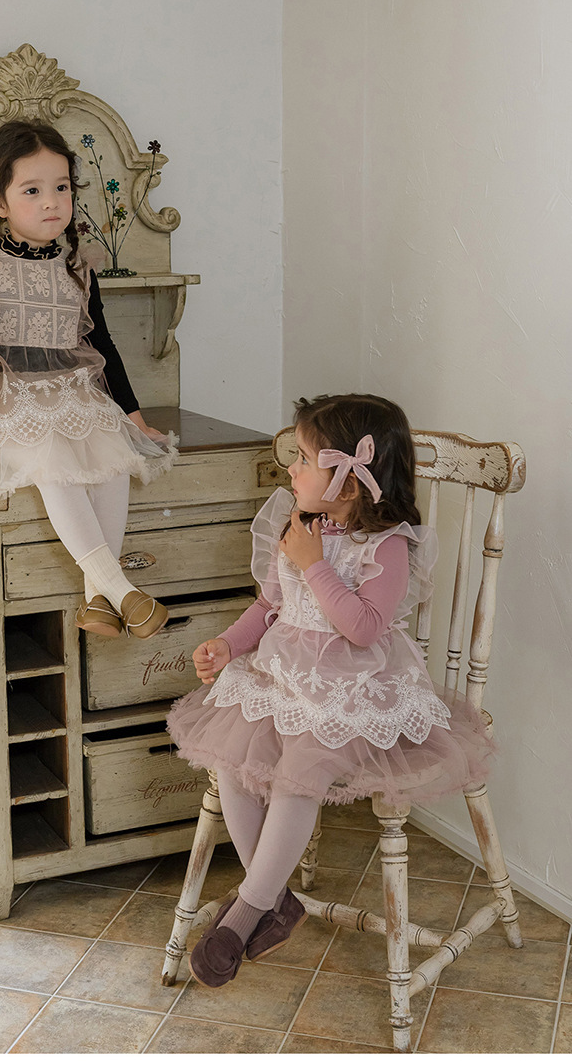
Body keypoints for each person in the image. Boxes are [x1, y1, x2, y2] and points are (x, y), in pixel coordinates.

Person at [167, 393, 494, 987]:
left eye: (303, 459)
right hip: (283, 678)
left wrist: (316, 564)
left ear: (347, 481)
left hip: (351, 691)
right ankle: (273, 900)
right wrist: (229, 645)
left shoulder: (386, 545)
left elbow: (363, 627)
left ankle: (246, 913)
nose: (291, 469)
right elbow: (268, 607)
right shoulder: (297, 525)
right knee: (237, 764)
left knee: (299, 776)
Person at [0, 120, 179, 640]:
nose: (52, 201)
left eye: (61, 187)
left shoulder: (78, 266)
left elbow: (103, 347)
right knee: (55, 467)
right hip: (6, 402)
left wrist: (134, 418)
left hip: (75, 396)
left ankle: (98, 601)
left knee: (114, 462)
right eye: (32, 191)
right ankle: (122, 590)